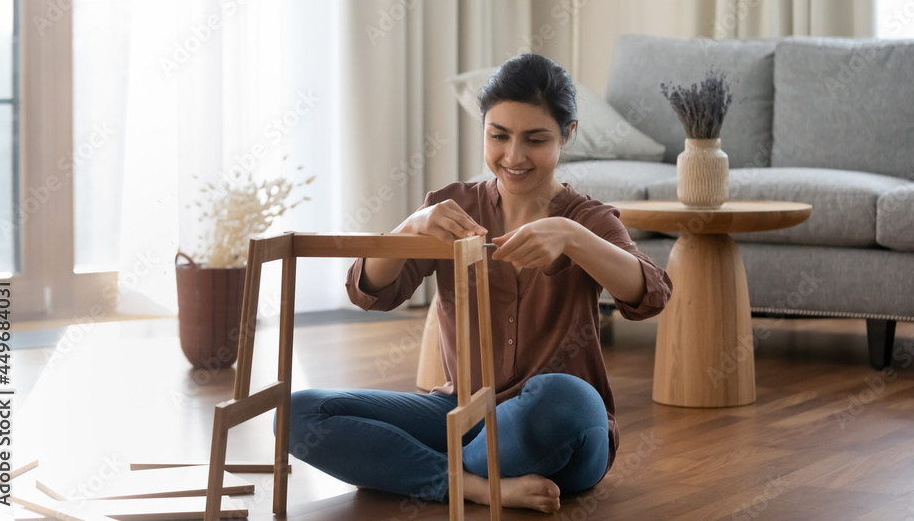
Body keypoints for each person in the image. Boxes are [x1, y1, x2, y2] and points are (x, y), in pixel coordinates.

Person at [286, 54, 671, 513]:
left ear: (567, 135)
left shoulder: (587, 219)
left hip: (555, 426)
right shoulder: (451, 206)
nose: (514, 156)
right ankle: (470, 484)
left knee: (564, 397)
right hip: (459, 413)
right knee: (298, 412)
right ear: (483, 129)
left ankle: (414, 468)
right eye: (498, 135)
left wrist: (572, 239)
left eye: (536, 139)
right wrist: (412, 227)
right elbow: (367, 291)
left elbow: (650, 295)